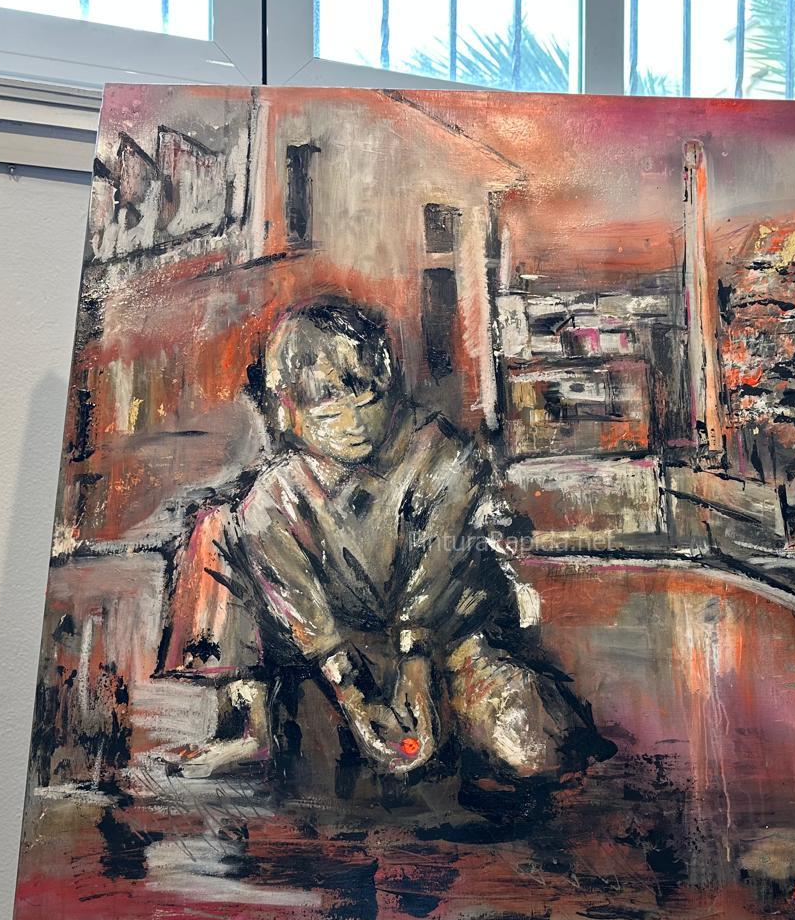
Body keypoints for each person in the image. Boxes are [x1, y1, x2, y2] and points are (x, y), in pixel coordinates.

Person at [180, 296, 611, 796]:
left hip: (446, 637)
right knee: (216, 527)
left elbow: (434, 577)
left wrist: (416, 669)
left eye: (364, 393)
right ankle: (245, 725)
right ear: (287, 410)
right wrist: (353, 694)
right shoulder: (273, 499)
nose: (352, 419)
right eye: (327, 400)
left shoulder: (442, 456)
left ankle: (483, 720)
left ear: (387, 383)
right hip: (337, 646)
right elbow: (304, 614)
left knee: (534, 750)